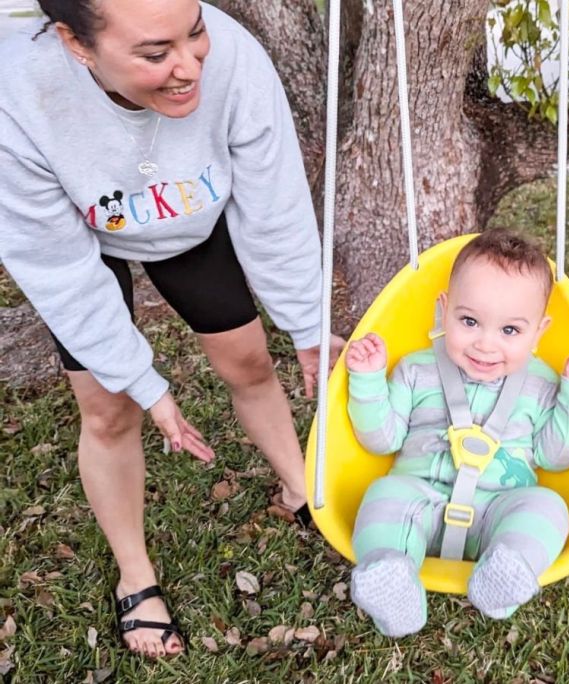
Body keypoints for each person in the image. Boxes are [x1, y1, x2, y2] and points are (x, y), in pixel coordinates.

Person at [0, 0, 344, 659]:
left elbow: (274, 206)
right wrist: (143, 381)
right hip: (79, 233)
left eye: (195, 34)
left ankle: (299, 487)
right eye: (156, 55)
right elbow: (58, 268)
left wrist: (304, 319)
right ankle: (137, 574)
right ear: (77, 43)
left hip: (183, 210)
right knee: (107, 409)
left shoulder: (236, 57)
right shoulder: (17, 97)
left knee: (249, 361)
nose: (190, 66)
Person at [343, 229, 569, 637]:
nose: (485, 344)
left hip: (498, 509)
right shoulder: (415, 370)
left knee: (548, 506)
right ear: (444, 311)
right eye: (469, 321)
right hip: (419, 499)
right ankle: (392, 576)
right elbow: (382, 439)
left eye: (510, 331)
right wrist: (369, 381)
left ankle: (508, 568)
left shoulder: (543, 384)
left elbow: (556, 457)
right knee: (383, 495)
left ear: (539, 331)